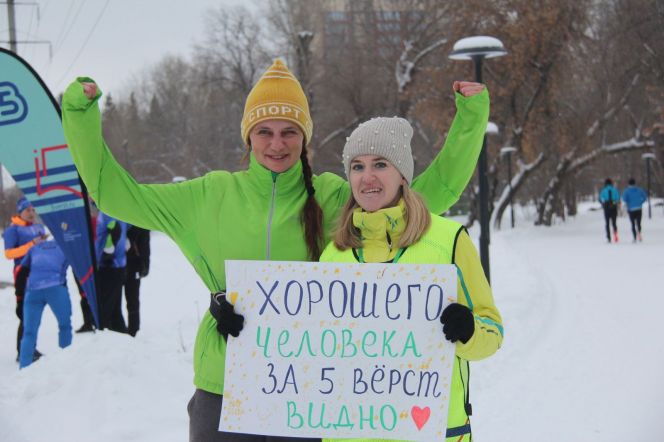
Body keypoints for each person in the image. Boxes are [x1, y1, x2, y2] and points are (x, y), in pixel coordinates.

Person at [62, 58, 489, 441]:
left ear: (305, 138)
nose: (277, 144)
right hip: (223, 385)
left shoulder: (332, 196)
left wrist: (470, 120)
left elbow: (428, 194)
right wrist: (80, 117)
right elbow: (116, 196)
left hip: (306, 388)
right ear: (248, 137)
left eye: (290, 132)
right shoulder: (208, 195)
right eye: (264, 132)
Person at [319, 117, 503, 442]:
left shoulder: (448, 240)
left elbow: (493, 332)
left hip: (433, 431)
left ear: (403, 175)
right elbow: (310, 342)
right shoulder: (334, 254)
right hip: (349, 433)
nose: (368, 177)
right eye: (357, 167)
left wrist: (469, 331)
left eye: (380, 164)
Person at [3, 196, 48, 362]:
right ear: (20, 212)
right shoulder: (13, 230)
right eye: (28, 210)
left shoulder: (38, 227)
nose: (31, 213)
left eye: (33, 209)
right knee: (25, 312)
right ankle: (22, 351)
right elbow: (9, 253)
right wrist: (32, 244)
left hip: (38, 275)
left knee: (35, 312)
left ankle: (31, 347)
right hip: (22, 274)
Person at [16, 239, 72, 369]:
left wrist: (19, 297)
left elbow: (22, 272)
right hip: (56, 288)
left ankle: (24, 368)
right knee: (64, 326)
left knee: (29, 332)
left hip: (33, 290)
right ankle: (67, 364)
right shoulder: (65, 247)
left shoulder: (35, 248)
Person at [95, 210, 129, 333]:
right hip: (118, 263)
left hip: (110, 264)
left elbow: (115, 229)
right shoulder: (118, 210)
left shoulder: (107, 211)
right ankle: (121, 332)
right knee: (115, 306)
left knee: (107, 305)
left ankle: (104, 333)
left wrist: (107, 252)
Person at [124, 224, 151, 337]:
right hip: (118, 265)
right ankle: (126, 329)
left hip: (134, 264)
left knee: (132, 299)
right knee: (129, 299)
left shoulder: (140, 223)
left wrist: (144, 266)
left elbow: (145, 246)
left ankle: (134, 330)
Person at [622, 178, 647, 242]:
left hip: (631, 209)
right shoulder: (639, 190)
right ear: (634, 183)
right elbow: (645, 197)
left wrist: (628, 203)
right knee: (639, 222)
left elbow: (624, 199)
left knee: (632, 223)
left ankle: (634, 237)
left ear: (629, 184)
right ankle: (639, 233)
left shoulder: (626, 191)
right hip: (639, 208)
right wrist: (641, 202)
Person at [599, 178, 620, 243]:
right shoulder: (615, 190)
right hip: (614, 207)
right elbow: (618, 199)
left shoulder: (603, 190)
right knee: (614, 222)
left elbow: (600, 198)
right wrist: (615, 202)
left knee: (607, 223)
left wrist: (603, 203)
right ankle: (615, 234)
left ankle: (608, 237)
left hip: (606, 207)